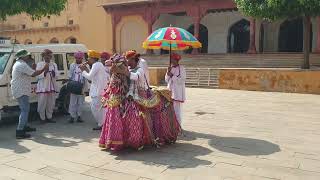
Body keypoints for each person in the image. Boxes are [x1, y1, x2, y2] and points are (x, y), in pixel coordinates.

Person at [11, 49, 49, 139]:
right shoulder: (22, 65)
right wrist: (44, 69)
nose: (28, 56)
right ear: (22, 56)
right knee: (24, 110)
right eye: (27, 55)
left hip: (21, 89)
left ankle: (24, 126)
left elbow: (30, 73)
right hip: (21, 90)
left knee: (25, 109)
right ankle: (20, 131)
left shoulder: (19, 64)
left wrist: (34, 69)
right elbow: (33, 74)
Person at [99, 54, 129, 151]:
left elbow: (123, 89)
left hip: (118, 102)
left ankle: (116, 142)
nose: (112, 67)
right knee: (110, 121)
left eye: (114, 64)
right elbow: (110, 87)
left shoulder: (122, 74)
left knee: (115, 122)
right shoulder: (114, 74)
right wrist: (106, 95)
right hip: (113, 101)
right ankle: (110, 141)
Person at [80, 50, 109, 130]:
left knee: (95, 109)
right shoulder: (98, 65)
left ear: (92, 58)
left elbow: (89, 77)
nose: (88, 59)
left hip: (98, 92)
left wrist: (82, 70)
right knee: (100, 109)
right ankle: (102, 123)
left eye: (89, 58)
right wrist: (85, 68)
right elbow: (92, 77)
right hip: (99, 90)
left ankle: (101, 124)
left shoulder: (96, 64)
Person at [36, 49, 58, 124]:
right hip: (42, 87)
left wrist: (53, 73)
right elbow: (38, 77)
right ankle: (42, 118)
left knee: (51, 103)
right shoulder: (39, 64)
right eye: (46, 55)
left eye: (49, 55)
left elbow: (57, 76)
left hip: (51, 87)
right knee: (42, 103)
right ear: (43, 56)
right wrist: (45, 71)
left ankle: (49, 117)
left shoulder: (54, 65)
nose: (48, 57)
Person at [165, 53, 186, 127]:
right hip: (169, 91)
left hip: (177, 93)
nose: (171, 61)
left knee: (176, 111)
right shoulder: (170, 68)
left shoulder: (182, 68)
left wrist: (172, 76)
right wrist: (168, 73)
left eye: (172, 59)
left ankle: (178, 127)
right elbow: (166, 80)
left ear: (176, 60)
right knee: (169, 111)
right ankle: (170, 127)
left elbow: (182, 80)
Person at [68, 51, 88, 123]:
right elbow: (70, 76)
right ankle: (72, 116)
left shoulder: (86, 65)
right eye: (77, 58)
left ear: (82, 58)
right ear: (75, 58)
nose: (78, 59)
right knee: (72, 102)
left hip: (82, 86)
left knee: (80, 102)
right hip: (74, 85)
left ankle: (79, 116)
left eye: (79, 58)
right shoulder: (72, 65)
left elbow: (88, 75)